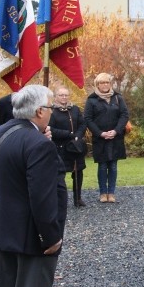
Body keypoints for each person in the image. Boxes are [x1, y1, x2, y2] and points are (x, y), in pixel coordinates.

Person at [0, 85, 67, 287]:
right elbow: (42, 197)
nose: (52, 113)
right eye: (51, 108)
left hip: (2, 227)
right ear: (40, 111)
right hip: (31, 235)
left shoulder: (1, 133)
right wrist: (50, 237)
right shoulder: (38, 144)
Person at [84, 73, 129, 203]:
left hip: (116, 137)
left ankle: (111, 193)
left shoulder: (117, 98)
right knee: (102, 166)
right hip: (100, 138)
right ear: (97, 85)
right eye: (102, 83)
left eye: (107, 82)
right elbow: (87, 119)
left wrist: (116, 131)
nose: (105, 85)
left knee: (113, 166)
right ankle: (103, 193)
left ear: (110, 84)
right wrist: (100, 133)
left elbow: (124, 115)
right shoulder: (92, 100)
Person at [49, 86, 88, 208]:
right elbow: (50, 129)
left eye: (66, 95)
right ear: (56, 96)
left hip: (75, 146)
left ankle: (78, 198)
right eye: (61, 95)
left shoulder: (75, 109)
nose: (64, 97)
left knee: (78, 172)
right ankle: (60, 199)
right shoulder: (52, 111)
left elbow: (82, 124)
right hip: (60, 146)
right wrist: (68, 134)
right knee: (60, 174)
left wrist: (78, 135)